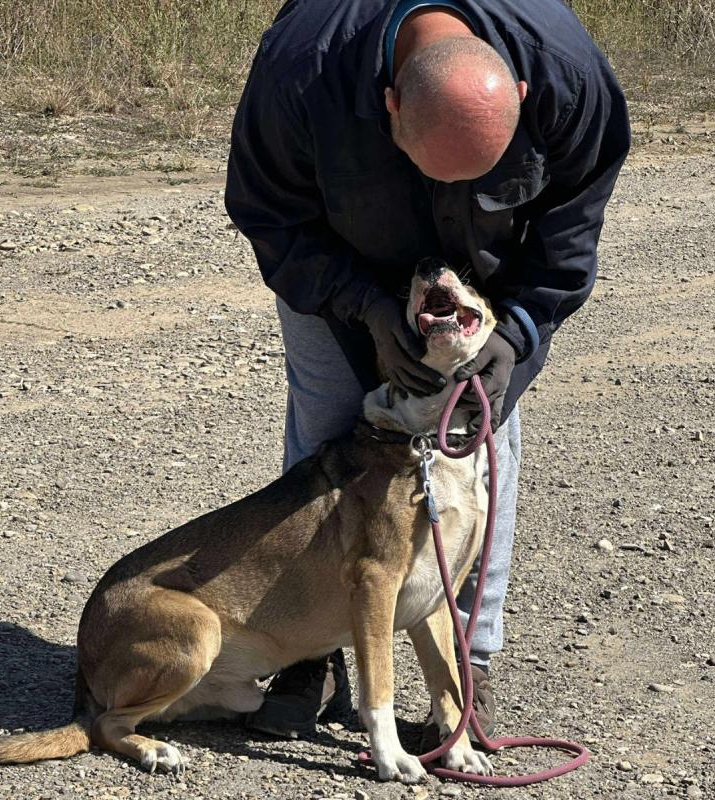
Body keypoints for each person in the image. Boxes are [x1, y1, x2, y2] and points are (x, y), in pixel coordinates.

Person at [225, 0, 630, 748]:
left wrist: (519, 332)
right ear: (389, 107)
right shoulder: (298, 73)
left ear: (522, 96)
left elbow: (570, 232)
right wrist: (368, 309)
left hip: (481, 278)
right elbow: (267, 214)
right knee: (326, 446)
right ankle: (309, 661)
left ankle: (466, 678)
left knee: (480, 445)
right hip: (334, 269)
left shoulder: (569, 76)